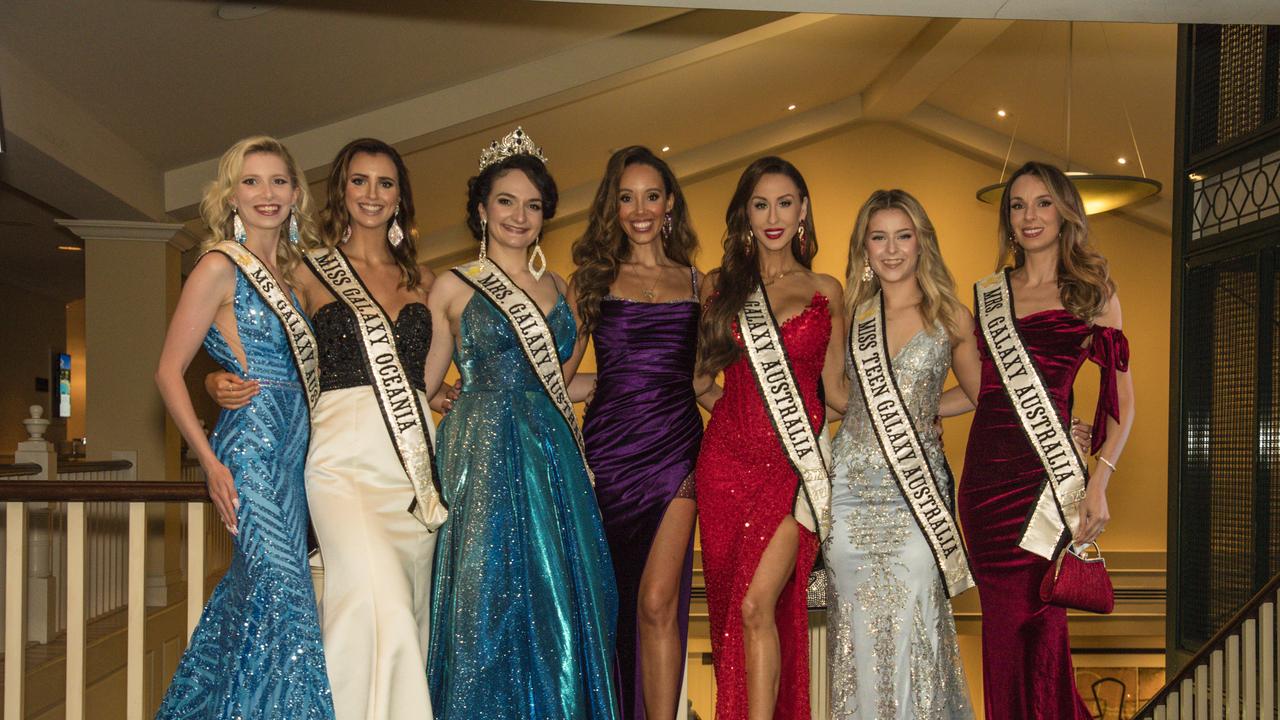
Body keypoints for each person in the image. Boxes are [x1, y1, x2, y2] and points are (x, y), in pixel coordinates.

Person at [206, 138, 448, 719]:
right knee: (374, 603)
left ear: (400, 199)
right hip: (342, 460)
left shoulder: (426, 279)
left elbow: (435, 376)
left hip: (412, 464)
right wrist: (216, 381)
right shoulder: (303, 269)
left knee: (408, 613)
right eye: (359, 181)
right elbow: (257, 343)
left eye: (385, 183)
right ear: (341, 189)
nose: (372, 194)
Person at [424, 128, 620, 720]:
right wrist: (450, 400)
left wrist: (633, 386)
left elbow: (562, 383)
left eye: (533, 205)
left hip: (552, 454)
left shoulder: (561, 287)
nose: (519, 215)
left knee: (558, 595)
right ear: (482, 209)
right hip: (483, 456)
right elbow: (425, 384)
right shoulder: (453, 284)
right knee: (485, 603)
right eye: (506, 201)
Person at [154, 136, 334, 718]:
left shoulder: (298, 276)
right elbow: (167, 372)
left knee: (255, 599)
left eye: (278, 181)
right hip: (250, 451)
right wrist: (210, 462)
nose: (266, 194)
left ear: (296, 194)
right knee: (289, 599)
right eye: (251, 181)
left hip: (298, 452)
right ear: (230, 194)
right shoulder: (216, 265)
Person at [957, 161, 1134, 719]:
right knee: (1003, 638)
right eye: (1017, 205)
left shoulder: (1095, 293)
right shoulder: (987, 295)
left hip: (1047, 489)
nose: (1029, 216)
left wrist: (1099, 483)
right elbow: (981, 391)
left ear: (1064, 213)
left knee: (1039, 631)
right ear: (1007, 220)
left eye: (1042, 203)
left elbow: (1122, 404)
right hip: (985, 488)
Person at [694, 156, 846, 720]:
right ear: (745, 214)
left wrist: (915, 407)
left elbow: (836, 392)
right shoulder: (719, 286)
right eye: (761, 204)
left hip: (793, 475)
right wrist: (737, 418)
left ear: (803, 210)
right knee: (734, 615)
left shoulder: (827, 290)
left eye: (785, 203)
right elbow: (700, 383)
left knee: (759, 605)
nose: (773, 216)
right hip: (725, 469)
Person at [826, 189, 976, 718]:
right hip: (850, 492)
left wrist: (929, 412)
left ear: (921, 244)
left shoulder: (951, 316)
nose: (891, 250)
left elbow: (983, 394)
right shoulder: (849, 313)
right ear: (864, 247)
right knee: (856, 629)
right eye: (879, 237)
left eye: (903, 236)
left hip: (915, 495)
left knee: (915, 619)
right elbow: (837, 394)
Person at [567, 145, 703, 720]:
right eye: (627, 197)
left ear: (669, 203)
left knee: (657, 602)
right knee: (611, 606)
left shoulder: (701, 283)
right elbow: (559, 377)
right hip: (608, 457)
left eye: (652, 196)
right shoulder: (590, 282)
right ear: (613, 206)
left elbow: (702, 379)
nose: (640, 209)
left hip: (677, 453)